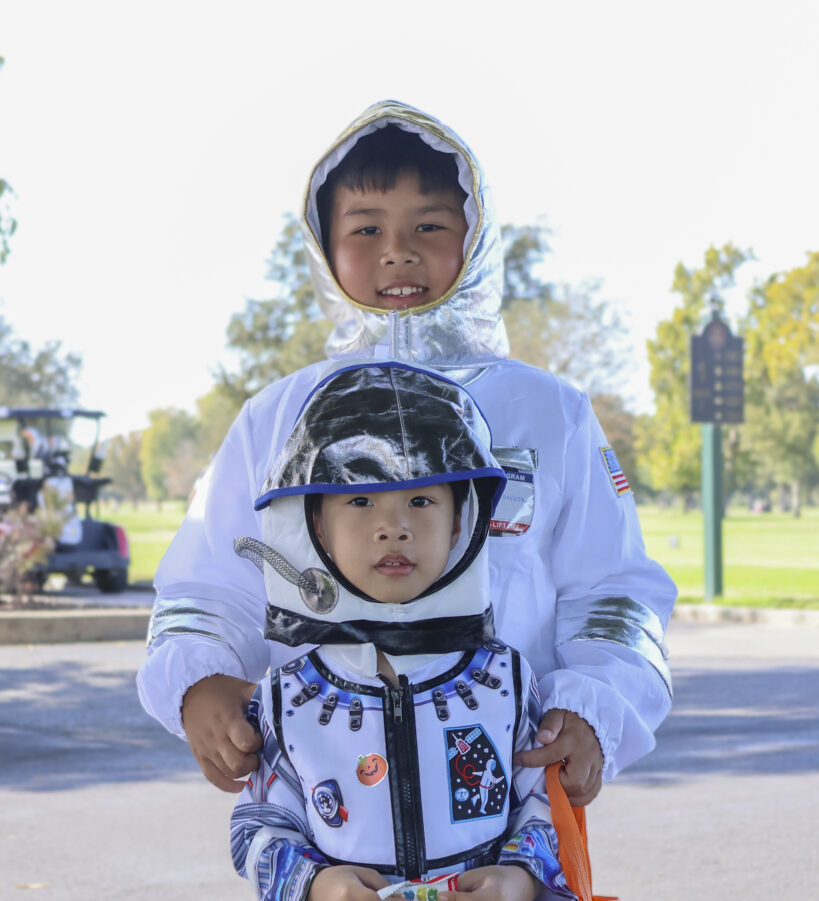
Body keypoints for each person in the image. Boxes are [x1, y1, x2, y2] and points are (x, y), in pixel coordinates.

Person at [137, 100, 676, 806]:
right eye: (365, 229)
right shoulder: (273, 420)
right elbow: (207, 587)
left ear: (475, 238)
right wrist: (195, 679)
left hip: (509, 805)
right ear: (322, 247)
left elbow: (613, 592)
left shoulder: (549, 414)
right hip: (321, 810)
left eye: (429, 225)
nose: (398, 250)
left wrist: (596, 705)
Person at [230, 362, 576, 901]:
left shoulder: (505, 682)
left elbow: (544, 810)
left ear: (463, 522)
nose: (393, 527)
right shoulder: (288, 697)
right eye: (359, 501)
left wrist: (516, 881)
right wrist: (318, 888)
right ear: (316, 528)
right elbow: (259, 828)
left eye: (421, 500)